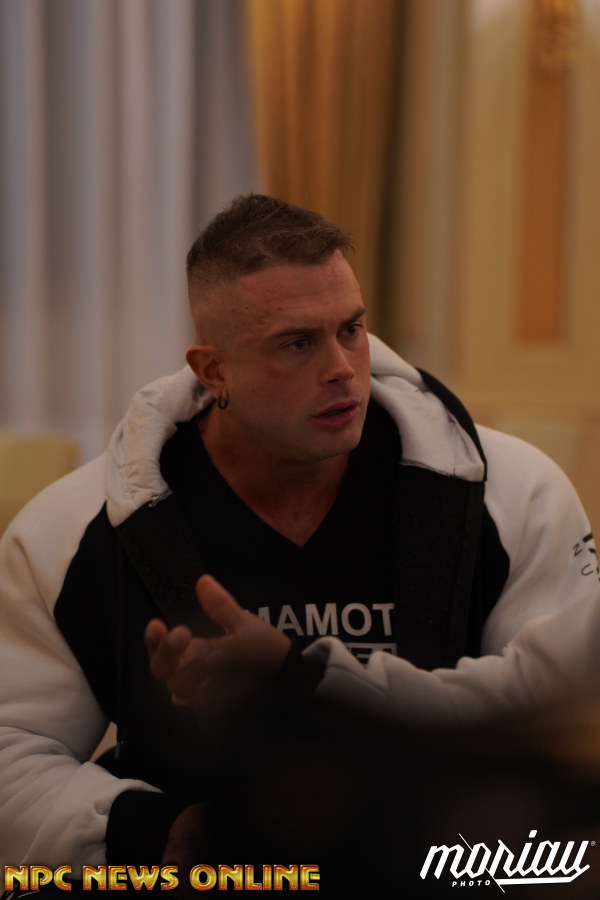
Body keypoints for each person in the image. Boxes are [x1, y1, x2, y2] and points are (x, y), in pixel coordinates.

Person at [0, 194, 599, 887]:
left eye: (351, 330)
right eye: (297, 343)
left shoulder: (514, 493)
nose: (341, 367)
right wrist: (162, 834)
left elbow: (550, 718)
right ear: (213, 370)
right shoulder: (74, 528)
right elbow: (13, 749)